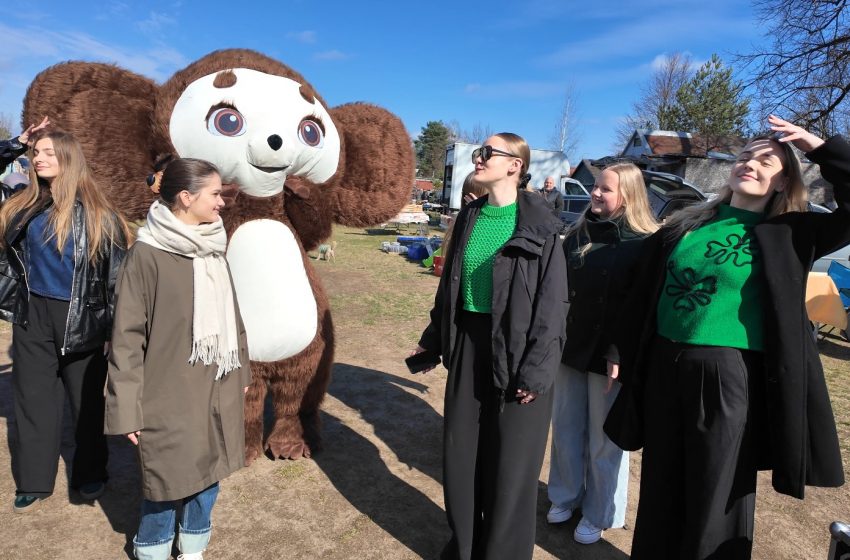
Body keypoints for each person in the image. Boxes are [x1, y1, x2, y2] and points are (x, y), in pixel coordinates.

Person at [604, 115, 850, 559]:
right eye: (744, 156)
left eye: (766, 161)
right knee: (660, 485)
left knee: (716, 493)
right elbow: (642, 290)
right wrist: (620, 347)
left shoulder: (792, 233)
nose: (750, 164)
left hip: (727, 374)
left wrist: (818, 147)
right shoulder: (688, 224)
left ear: (782, 183)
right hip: (663, 366)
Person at [413, 133, 568, 560]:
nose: (477, 159)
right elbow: (450, 288)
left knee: (511, 468)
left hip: (522, 355)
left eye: (486, 153)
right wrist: (433, 342)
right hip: (469, 344)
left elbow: (552, 305)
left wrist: (536, 371)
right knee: (462, 456)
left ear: (515, 165)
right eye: (478, 152)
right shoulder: (468, 217)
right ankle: (464, 547)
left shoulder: (542, 226)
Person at [105, 158, 251, 560]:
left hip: (217, 381)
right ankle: (151, 550)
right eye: (216, 194)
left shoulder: (214, 247)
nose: (223, 202)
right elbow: (125, 340)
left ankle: (193, 548)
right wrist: (126, 408)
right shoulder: (147, 256)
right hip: (166, 391)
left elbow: (233, 315)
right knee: (167, 480)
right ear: (186, 197)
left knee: (210, 472)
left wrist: (242, 370)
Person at [0, 128, 131, 513]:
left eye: (47, 153)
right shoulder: (21, 204)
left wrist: (112, 331)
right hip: (31, 314)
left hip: (83, 317)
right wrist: (14, 146)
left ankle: (91, 472)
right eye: (35, 153)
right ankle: (34, 481)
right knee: (33, 402)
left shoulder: (99, 216)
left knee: (87, 403)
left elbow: (116, 279)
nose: (38, 159)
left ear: (68, 159)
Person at [547, 163, 658, 544]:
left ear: (627, 195)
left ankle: (599, 511)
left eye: (604, 189)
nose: (595, 193)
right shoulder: (577, 234)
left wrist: (619, 351)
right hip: (570, 349)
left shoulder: (646, 243)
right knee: (564, 428)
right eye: (595, 186)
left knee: (604, 441)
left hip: (613, 357)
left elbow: (642, 308)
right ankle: (564, 495)